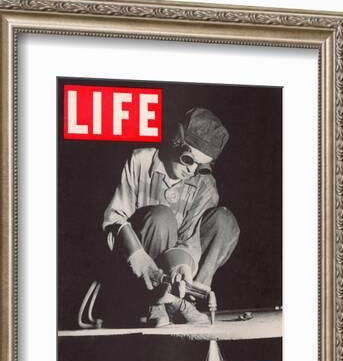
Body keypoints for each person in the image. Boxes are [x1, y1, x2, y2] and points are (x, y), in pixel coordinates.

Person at [102, 107, 240, 327]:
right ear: (176, 142)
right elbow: (114, 219)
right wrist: (139, 259)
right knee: (161, 216)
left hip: (176, 271)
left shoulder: (205, 185)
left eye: (201, 166)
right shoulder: (141, 161)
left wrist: (182, 267)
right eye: (188, 159)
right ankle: (154, 302)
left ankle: (184, 299)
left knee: (225, 221)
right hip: (135, 270)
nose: (192, 171)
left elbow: (190, 239)